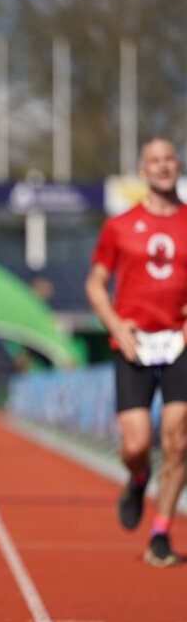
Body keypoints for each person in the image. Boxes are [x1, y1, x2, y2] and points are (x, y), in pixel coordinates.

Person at [85, 137, 187, 567]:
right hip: (133, 343)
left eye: (169, 159)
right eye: (154, 160)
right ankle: (139, 476)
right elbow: (95, 283)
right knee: (136, 443)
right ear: (142, 171)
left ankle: (160, 532)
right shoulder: (120, 225)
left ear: (176, 165)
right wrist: (115, 323)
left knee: (177, 440)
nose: (163, 166)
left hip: (180, 341)